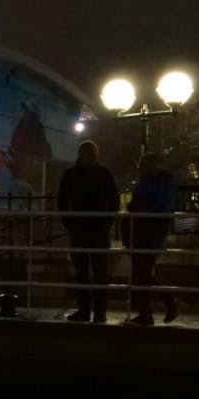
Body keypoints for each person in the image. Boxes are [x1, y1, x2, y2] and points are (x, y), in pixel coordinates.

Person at [56, 140, 119, 323]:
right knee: (99, 272)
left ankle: (85, 311)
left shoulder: (71, 174)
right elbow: (113, 198)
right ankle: (98, 312)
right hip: (97, 229)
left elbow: (63, 200)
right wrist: (108, 219)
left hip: (82, 228)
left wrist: (68, 222)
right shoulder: (103, 173)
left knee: (83, 271)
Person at [124, 153, 178, 326]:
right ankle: (161, 306)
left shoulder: (157, 181)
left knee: (142, 272)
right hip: (146, 230)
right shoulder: (160, 181)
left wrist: (138, 208)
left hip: (150, 230)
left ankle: (151, 311)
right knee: (143, 272)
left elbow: (160, 206)